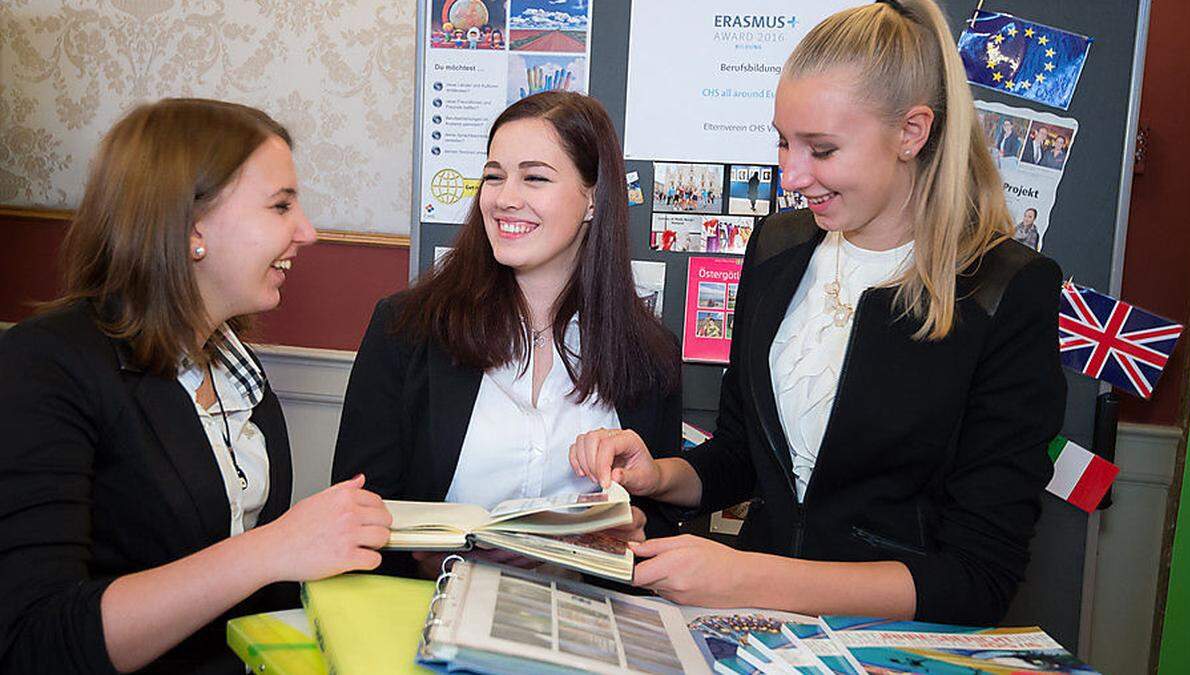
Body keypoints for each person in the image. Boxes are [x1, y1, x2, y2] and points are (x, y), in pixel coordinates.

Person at [570, 0, 1065, 627]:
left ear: (912, 133)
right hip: (753, 631)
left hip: (892, 645)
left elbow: (977, 578)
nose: (791, 174)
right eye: (782, 142)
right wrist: (660, 475)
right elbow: (743, 455)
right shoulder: (777, 247)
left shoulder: (1007, 289)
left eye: (822, 149)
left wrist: (749, 576)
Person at [0, 99, 394, 674]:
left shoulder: (233, 369)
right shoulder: (46, 365)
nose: (306, 231)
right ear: (191, 229)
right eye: (280, 205)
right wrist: (275, 548)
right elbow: (36, 639)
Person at [332, 91, 681, 579]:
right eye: (494, 176)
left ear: (593, 199)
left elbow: (658, 523)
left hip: (581, 630)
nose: (504, 198)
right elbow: (354, 510)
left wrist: (627, 533)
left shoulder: (649, 354)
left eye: (534, 177)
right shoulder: (406, 328)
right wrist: (426, 556)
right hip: (424, 620)